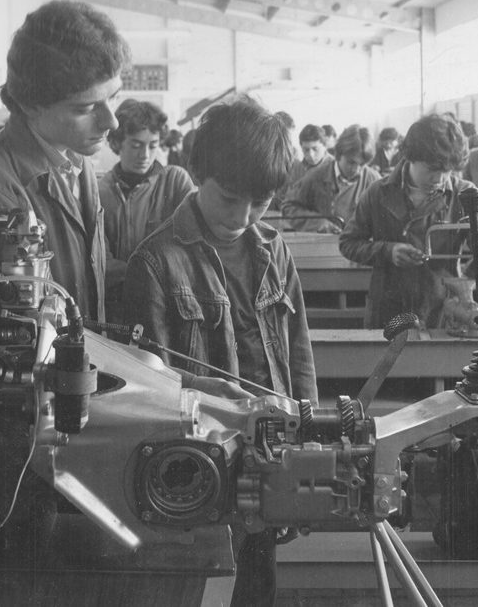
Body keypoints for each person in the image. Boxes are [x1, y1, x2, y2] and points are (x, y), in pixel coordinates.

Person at [124, 96, 317, 607]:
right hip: (199, 469)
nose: (245, 215)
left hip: (271, 459)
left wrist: (308, 441)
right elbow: (151, 387)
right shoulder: (156, 262)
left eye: (262, 202)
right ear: (197, 172)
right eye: (230, 198)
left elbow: (298, 354)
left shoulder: (275, 249)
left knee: (257, 588)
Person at [0, 0, 130, 321]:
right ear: (31, 105)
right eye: (86, 108)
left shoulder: (76, 159)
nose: (111, 122)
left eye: (114, 96)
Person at [339, 114, 478, 329]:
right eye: (432, 169)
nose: (440, 179)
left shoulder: (466, 195)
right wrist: (387, 251)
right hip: (388, 312)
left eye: (447, 171)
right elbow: (348, 243)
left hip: (443, 313)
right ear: (410, 156)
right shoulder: (378, 193)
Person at [98, 99, 194, 324]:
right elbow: (102, 262)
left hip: (173, 311)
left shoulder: (176, 181)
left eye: (152, 145)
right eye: (136, 145)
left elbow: (193, 248)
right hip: (119, 314)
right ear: (116, 143)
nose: (145, 155)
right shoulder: (100, 193)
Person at [283, 124, 380, 233]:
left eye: (362, 164)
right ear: (339, 154)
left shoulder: (374, 180)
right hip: (325, 245)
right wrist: (317, 223)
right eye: (351, 162)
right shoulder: (315, 177)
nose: (356, 170)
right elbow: (288, 207)